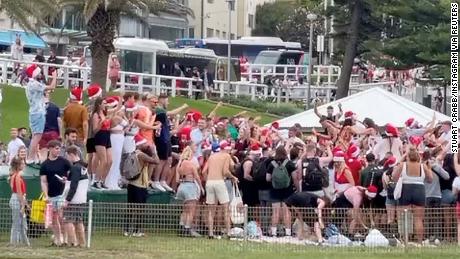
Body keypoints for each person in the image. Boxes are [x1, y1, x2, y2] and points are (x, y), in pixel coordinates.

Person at [392, 146, 433, 243]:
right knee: (418, 219)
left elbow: (394, 177)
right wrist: (429, 169)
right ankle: (419, 241)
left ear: (408, 157)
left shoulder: (403, 165)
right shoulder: (423, 166)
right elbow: (430, 179)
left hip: (406, 190)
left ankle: (405, 240)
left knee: (404, 217)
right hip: (419, 190)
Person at [124, 134, 159, 237]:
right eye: (144, 143)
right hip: (140, 185)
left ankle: (127, 230)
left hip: (131, 184)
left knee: (130, 208)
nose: (146, 145)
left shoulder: (133, 153)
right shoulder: (141, 155)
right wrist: (154, 151)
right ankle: (137, 231)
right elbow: (156, 161)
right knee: (140, 209)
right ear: (140, 145)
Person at [202, 140, 238, 238]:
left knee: (211, 210)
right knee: (225, 207)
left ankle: (210, 233)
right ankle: (228, 232)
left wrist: (207, 181)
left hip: (209, 182)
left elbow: (204, 171)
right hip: (219, 182)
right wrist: (233, 177)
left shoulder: (211, 156)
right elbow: (225, 171)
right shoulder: (226, 156)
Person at [39, 140, 72, 246]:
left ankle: (65, 239)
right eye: (56, 148)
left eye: (59, 148)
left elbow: (71, 175)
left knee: (62, 217)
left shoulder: (64, 161)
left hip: (62, 194)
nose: (58, 151)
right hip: (51, 195)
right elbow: (44, 181)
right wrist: (46, 194)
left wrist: (65, 179)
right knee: (54, 219)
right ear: (50, 149)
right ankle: (58, 239)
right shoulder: (44, 165)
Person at [153, 94, 188, 192]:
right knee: (162, 160)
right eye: (166, 101)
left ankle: (163, 181)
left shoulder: (163, 113)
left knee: (168, 160)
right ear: (161, 100)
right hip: (161, 138)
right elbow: (171, 113)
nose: (167, 103)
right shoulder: (159, 109)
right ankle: (156, 181)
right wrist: (183, 107)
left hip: (166, 137)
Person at [25, 64, 57, 165]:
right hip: (38, 113)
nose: (40, 74)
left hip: (33, 112)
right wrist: (55, 76)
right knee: (37, 137)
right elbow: (51, 87)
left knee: (35, 136)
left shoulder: (30, 84)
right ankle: (30, 158)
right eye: (38, 72)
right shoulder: (35, 84)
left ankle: (33, 157)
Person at [266, 146, 297, 237]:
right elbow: (295, 177)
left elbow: (267, 178)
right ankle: (288, 233)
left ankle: (274, 232)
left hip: (274, 190)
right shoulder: (290, 164)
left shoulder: (272, 164)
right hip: (288, 191)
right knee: (287, 211)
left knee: (275, 212)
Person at [63, 145, 89, 247]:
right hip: (82, 199)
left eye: (67, 156)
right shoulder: (83, 167)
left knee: (68, 220)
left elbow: (73, 186)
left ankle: (72, 242)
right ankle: (82, 242)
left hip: (74, 199)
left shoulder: (75, 168)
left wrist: (67, 199)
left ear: (72, 155)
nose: (67, 159)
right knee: (79, 221)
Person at [175, 144, 202, 237]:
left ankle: (181, 228)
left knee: (185, 210)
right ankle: (187, 229)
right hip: (190, 186)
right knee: (191, 210)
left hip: (181, 187)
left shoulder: (179, 165)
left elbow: (177, 180)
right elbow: (197, 176)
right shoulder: (191, 164)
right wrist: (201, 187)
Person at [91, 97, 114, 189]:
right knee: (103, 160)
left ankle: (102, 180)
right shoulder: (96, 115)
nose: (106, 105)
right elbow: (95, 130)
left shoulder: (106, 113)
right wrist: (101, 123)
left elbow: (117, 108)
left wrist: (120, 99)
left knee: (110, 161)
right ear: (99, 105)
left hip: (107, 136)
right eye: (104, 103)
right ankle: (96, 180)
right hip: (100, 137)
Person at [8, 156, 30, 246]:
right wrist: (22, 205)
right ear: (18, 165)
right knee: (17, 222)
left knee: (22, 222)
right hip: (17, 200)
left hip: (19, 199)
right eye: (22, 163)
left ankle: (24, 242)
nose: (24, 165)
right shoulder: (16, 176)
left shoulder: (16, 176)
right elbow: (19, 192)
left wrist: (25, 204)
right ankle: (14, 242)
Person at [39, 89, 63, 162]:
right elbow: (59, 121)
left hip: (42, 133)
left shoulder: (38, 107)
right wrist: (61, 134)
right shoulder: (55, 107)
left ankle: (42, 167)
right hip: (53, 133)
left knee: (43, 152)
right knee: (54, 153)